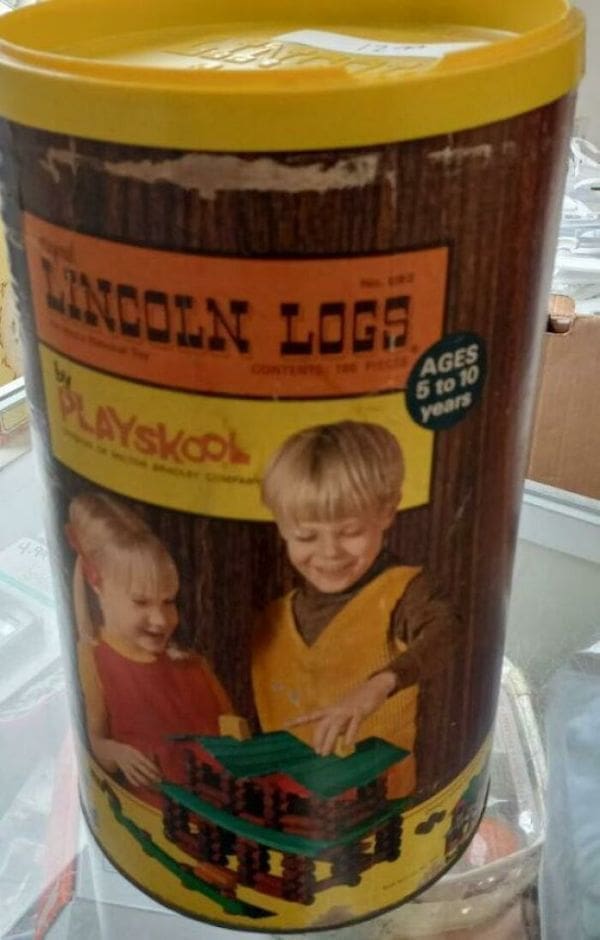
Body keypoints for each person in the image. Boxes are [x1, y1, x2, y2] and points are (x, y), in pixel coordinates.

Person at [252, 421, 461, 798]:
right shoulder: (274, 617)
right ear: (281, 527)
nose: (329, 552)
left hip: (379, 799)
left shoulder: (404, 591)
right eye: (306, 536)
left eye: (350, 532)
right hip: (289, 799)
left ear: (386, 512)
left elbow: (445, 631)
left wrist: (378, 685)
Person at [68, 490, 232, 803]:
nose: (160, 620)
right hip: (154, 809)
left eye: (168, 601)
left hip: (220, 806)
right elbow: (96, 741)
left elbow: (234, 733)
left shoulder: (194, 666)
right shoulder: (96, 658)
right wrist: (118, 752)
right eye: (141, 602)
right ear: (98, 585)